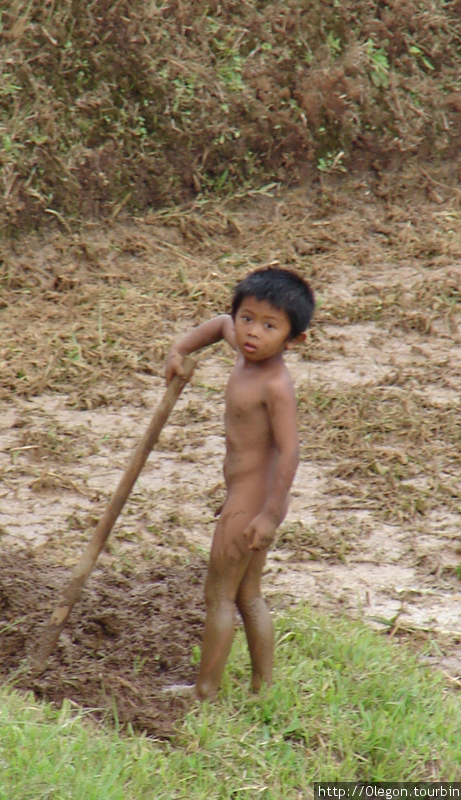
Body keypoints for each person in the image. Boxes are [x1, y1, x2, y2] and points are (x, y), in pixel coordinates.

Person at [164, 266, 315, 700]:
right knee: (250, 594)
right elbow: (219, 325)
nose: (252, 332)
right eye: (248, 317)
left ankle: (205, 690)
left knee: (220, 595)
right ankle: (261, 689)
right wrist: (179, 349)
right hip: (250, 499)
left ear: (294, 340)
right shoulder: (245, 351)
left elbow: (290, 452)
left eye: (270, 326)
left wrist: (269, 515)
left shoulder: (275, 384)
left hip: (250, 502)